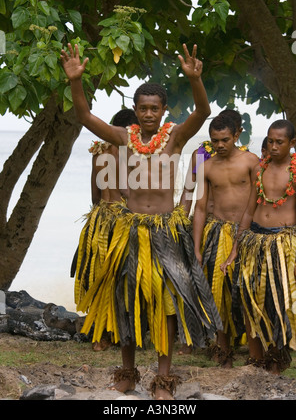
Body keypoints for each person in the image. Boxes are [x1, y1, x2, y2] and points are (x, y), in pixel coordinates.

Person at [61, 42, 222, 400]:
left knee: (165, 303)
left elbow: (204, 110)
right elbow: (86, 117)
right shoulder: (122, 138)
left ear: (164, 111)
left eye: (155, 108)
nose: (149, 114)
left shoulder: (175, 137)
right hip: (131, 231)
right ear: (135, 110)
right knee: (127, 301)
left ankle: (163, 381)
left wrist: (195, 79)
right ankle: (128, 374)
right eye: (143, 108)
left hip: (165, 231)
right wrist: (76, 82)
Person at [221, 119, 296, 373]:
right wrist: (236, 248)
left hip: (282, 243)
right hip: (254, 240)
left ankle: (276, 361)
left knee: (278, 305)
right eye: (270, 141)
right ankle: (255, 361)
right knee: (247, 297)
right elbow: (249, 209)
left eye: (280, 142)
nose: (274, 146)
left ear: (292, 143)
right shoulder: (259, 169)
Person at [192, 115, 259, 367]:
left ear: (237, 135)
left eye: (225, 140)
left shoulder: (251, 162)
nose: (220, 145)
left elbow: (258, 201)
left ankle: (256, 357)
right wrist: (197, 248)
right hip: (218, 233)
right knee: (219, 295)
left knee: (249, 293)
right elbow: (200, 208)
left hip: (249, 234)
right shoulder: (207, 167)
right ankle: (224, 354)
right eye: (214, 140)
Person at [71, 108, 138, 351]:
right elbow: (131, 193)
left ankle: (101, 335)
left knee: (99, 276)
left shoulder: (98, 152)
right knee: (122, 278)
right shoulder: (132, 152)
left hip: (99, 219)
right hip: (123, 220)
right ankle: (118, 333)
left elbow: (95, 194)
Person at [180, 108, 248, 218]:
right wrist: (180, 222)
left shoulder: (247, 160)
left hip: (237, 223)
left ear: (237, 133)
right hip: (207, 220)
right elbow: (188, 191)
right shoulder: (201, 154)